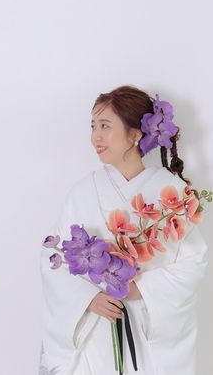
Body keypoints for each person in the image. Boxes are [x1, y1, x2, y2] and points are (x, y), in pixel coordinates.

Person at [39, 85, 208, 375]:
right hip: (96, 331)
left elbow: (194, 263)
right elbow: (52, 261)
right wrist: (87, 299)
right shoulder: (82, 192)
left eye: (105, 126)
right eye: (93, 126)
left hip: (148, 331)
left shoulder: (173, 194)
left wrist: (140, 289)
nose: (96, 136)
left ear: (135, 133)